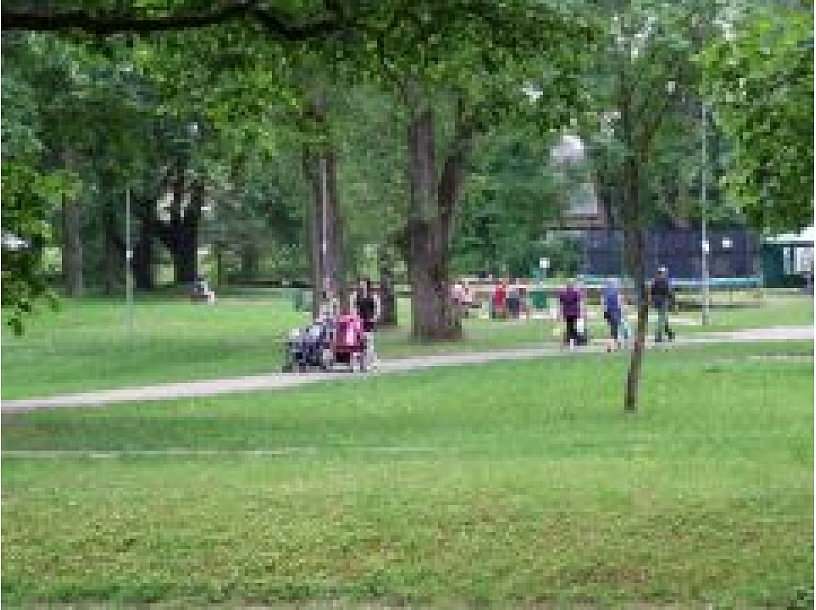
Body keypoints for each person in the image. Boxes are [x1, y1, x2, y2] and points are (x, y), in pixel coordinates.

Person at [353, 278, 379, 364]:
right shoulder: (356, 295)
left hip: (369, 320)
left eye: (363, 284)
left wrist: (375, 317)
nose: (362, 285)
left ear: (367, 285)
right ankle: (362, 359)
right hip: (359, 321)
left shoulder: (373, 296)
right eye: (361, 284)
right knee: (359, 340)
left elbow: (377, 308)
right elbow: (354, 308)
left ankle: (372, 359)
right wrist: (355, 317)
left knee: (369, 340)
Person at [650, 266, 675, 342]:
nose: (665, 274)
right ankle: (659, 335)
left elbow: (652, 292)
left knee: (664, 318)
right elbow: (669, 292)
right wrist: (672, 301)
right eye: (664, 273)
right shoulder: (664, 281)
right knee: (662, 319)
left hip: (659, 302)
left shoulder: (655, 281)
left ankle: (669, 333)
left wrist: (652, 301)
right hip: (662, 302)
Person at [558, 278, 583, 348]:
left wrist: (560, 313)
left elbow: (560, 303)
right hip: (574, 313)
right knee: (574, 326)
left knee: (569, 326)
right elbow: (579, 302)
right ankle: (573, 341)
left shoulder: (563, 293)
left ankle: (569, 340)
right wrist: (581, 312)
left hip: (567, 313)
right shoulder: (576, 292)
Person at [602, 278, 623, 351]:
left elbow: (604, 303)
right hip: (615, 311)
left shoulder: (606, 292)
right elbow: (619, 302)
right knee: (614, 329)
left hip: (608, 312)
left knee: (612, 328)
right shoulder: (617, 292)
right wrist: (621, 311)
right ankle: (611, 345)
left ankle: (616, 344)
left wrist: (605, 313)